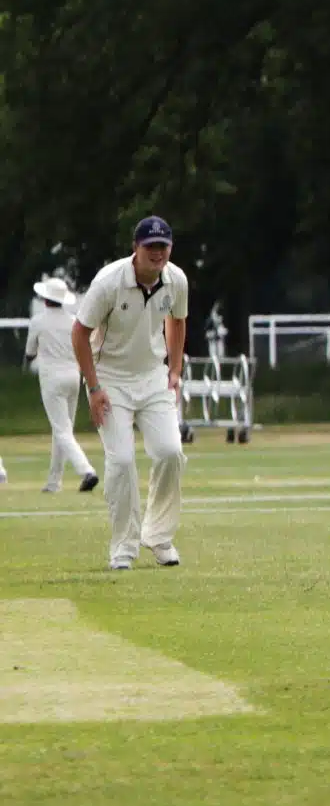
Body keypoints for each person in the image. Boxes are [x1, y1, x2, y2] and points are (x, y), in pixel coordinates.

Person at [73, 216, 189, 569]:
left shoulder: (176, 279)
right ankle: (124, 545)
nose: (157, 253)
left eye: (163, 246)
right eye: (150, 247)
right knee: (121, 460)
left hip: (153, 376)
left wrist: (174, 368)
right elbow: (79, 333)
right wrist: (93, 388)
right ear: (135, 249)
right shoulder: (108, 282)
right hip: (109, 378)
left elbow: (177, 320)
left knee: (170, 452)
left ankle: (158, 535)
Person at [25, 277, 98, 494]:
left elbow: (30, 353)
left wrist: (32, 357)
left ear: (45, 299)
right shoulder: (73, 321)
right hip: (73, 377)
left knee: (62, 431)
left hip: (52, 378)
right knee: (63, 431)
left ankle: (87, 470)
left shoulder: (38, 321)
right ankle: (53, 483)